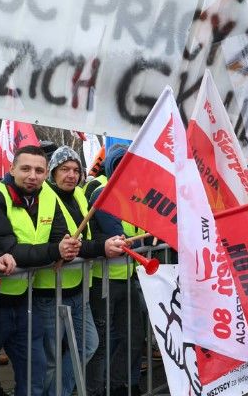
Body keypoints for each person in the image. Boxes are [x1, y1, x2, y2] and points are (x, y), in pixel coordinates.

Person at [0, 145, 77, 396]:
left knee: (34, 375)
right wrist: (56, 251)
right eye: (26, 169)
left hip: (24, 301)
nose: (33, 175)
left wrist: (62, 247)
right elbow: (12, 248)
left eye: (39, 170)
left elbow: (59, 238)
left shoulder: (48, 197)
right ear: (11, 169)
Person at [37, 146, 125, 396]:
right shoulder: (45, 196)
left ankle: (60, 391)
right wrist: (101, 246)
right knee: (51, 357)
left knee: (89, 344)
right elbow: (63, 241)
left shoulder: (78, 196)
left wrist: (102, 244)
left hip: (77, 289)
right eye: (65, 169)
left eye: (76, 170)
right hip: (50, 291)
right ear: (53, 172)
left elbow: (83, 239)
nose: (71, 175)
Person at [86, 144, 146, 396]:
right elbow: (117, 235)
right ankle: (101, 388)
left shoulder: (134, 192)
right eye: (120, 164)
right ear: (111, 166)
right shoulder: (103, 192)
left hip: (129, 276)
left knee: (132, 336)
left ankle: (121, 384)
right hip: (105, 280)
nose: (125, 169)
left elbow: (139, 235)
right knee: (103, 342)